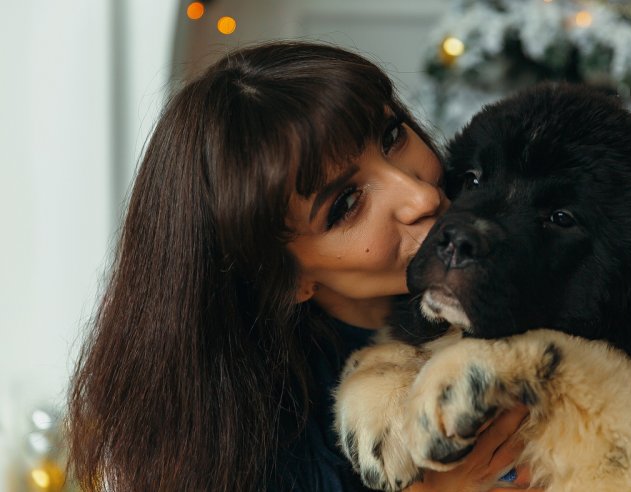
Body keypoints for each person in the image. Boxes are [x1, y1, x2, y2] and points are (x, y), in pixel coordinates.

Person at [67, 41, 538, 491]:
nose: (421, 196)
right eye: (346, 205)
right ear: (287, 279)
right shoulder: (273, 446)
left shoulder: (532, 258)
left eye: (391, 137)